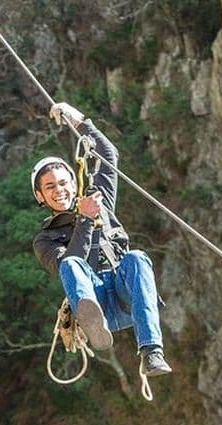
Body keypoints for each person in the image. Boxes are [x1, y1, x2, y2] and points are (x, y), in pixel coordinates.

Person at [31, 102, 172, 377]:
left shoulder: (99, 199)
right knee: (70, 265)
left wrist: (78, 119)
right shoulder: (44, 240)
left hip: (124, 295)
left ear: (74, 183)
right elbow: (71, 264)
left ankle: (151, 352)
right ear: (41, 197)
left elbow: (108, 154)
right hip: (95, 300)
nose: (59, 190)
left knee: (137, 258)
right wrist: (84, 219)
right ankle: (91, 317)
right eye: (50, 187)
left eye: (63, 183)